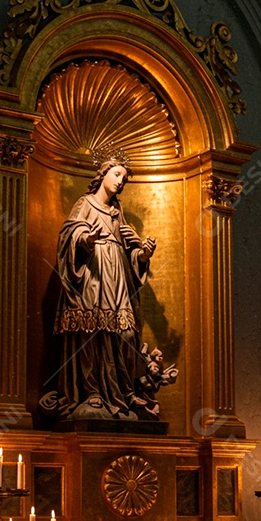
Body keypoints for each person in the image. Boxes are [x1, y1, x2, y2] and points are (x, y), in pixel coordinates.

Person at [51, 158, 156, 420]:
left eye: (124, 179)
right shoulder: (84, 204)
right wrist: (87, 239)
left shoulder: (118, 212)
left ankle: (121, 390)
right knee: (91, 331)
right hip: (92, 276)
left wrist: (142, 255)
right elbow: (68, 237)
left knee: (126, 335)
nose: (120, 182)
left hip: (117, 277)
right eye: (117, 174)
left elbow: (130, 254)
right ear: (104, 174)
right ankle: (93, 390)